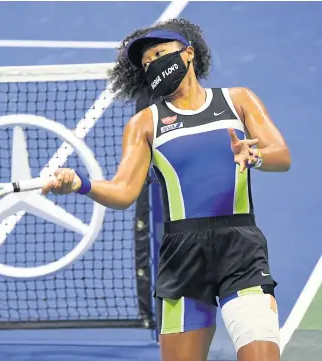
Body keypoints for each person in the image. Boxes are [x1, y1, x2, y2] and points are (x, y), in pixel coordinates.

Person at [42, 19, 291, 361]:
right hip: (181, 256)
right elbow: (123, 192)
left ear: (188, 53)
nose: (153, 64)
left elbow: (282, 156)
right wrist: (80, 184)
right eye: (146, 64)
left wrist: (256, 155)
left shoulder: (238, 100)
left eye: (160, 53)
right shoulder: (144, 123)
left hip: (240, 247)